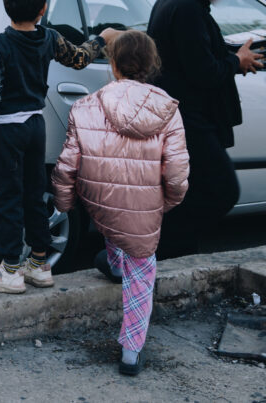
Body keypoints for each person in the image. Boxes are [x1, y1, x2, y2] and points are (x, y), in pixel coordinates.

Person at [52, 31, 189, 376]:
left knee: (117, 207)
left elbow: (67, 164)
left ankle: (115, 264)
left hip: (99, 199)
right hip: (141, 203)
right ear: (151, 65)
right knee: (142, 266)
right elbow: (175, 173)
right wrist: (165, 204)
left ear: (112, 65)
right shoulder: (168, 109)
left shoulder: (84, 107)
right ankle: (131, 351)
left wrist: (65, 202)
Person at [0, 0, 118, 293]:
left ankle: (10, 269)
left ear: (7, 6)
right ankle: (39, 263)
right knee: (35, 194)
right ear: (43, 8)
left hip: (7, 130)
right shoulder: (50, 38)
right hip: (35, 127)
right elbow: (80, 58)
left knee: (7, 198)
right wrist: (101, 38)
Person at [147, 0, 263, 259]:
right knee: (221, 190)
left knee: (191, 191)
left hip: (183, 117)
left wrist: (233, 57)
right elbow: (202, 71)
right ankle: (160, 249)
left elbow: (194, 56)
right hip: (189, 121)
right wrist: (235, 62)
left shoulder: (182, 2)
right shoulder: (185, 8)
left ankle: (174, 255)